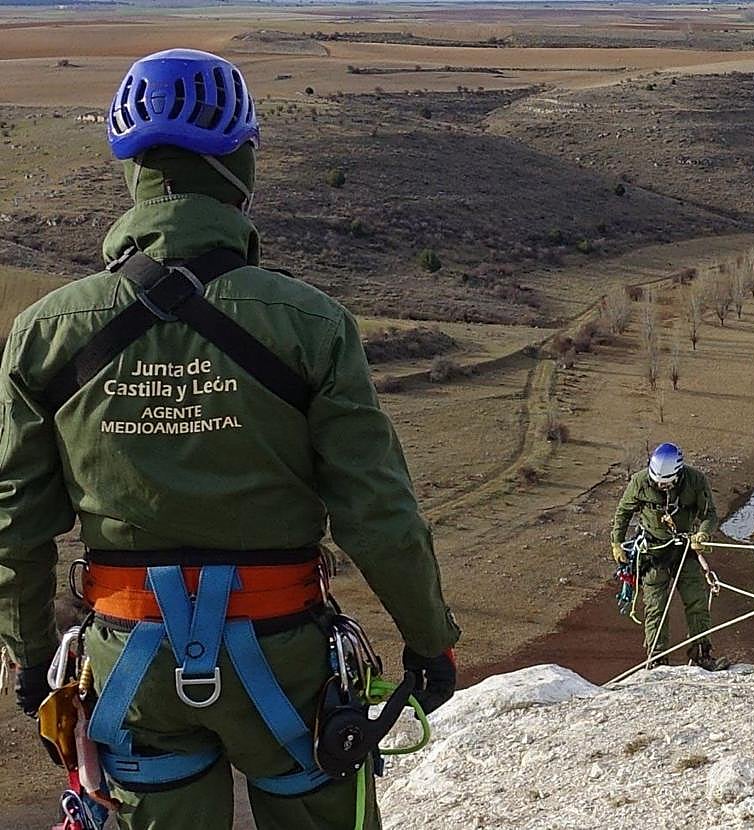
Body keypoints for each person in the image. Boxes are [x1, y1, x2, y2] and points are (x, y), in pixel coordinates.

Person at [0, 49, 459, 830]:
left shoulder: (46, 333)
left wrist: (31, 660)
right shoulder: (310, 324)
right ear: (241, 161)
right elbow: (375, 509)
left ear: (132, 170)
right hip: (285, 664)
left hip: (129, 666)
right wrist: (427, 641)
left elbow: (14, 522)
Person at [611, 442, 727, 669]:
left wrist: (703, 533)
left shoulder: (695, 481)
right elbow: (623, 512)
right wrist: (617, 543)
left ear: (678, 474)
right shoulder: (640, 482)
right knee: (656, 607)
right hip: (653, 554)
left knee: (697, 601)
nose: (661, 486)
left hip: (684, 550)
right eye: (657, 482)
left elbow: (708, 514)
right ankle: (657, 659)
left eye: (666, 483)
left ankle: (702, 654)